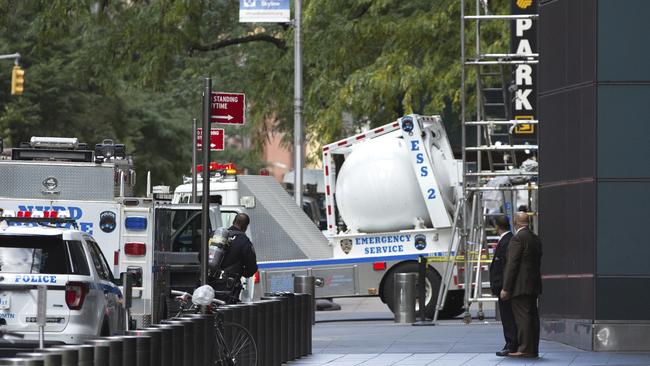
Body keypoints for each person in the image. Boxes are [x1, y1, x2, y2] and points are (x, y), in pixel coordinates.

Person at [501, 212, 542, 358]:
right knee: (532, 317)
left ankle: (524, 348)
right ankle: (533, 348)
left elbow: (512, 265)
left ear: (516, 222)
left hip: (520, 286)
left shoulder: (517, 239)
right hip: (533, 285)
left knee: (522, 318)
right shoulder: (535, 238)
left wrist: (506, 288)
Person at [209, 213, 258, 303]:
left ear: (233, 222)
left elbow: (201, 256)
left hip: (209, 282)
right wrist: (240, 272)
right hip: (228, 288)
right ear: (246, 227)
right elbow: (251, 268)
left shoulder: (215, 235)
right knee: (228, 314)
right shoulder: (244, 241)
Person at [489, 216, 518, 356]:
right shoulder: (509, 239)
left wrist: (504, 287)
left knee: (508, 317)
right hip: (503, 287)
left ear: (497, 226)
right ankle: (511, 343)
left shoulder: (507, 241)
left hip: (504, 288)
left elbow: (507, 267)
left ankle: (511, 344)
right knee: (508, 317)